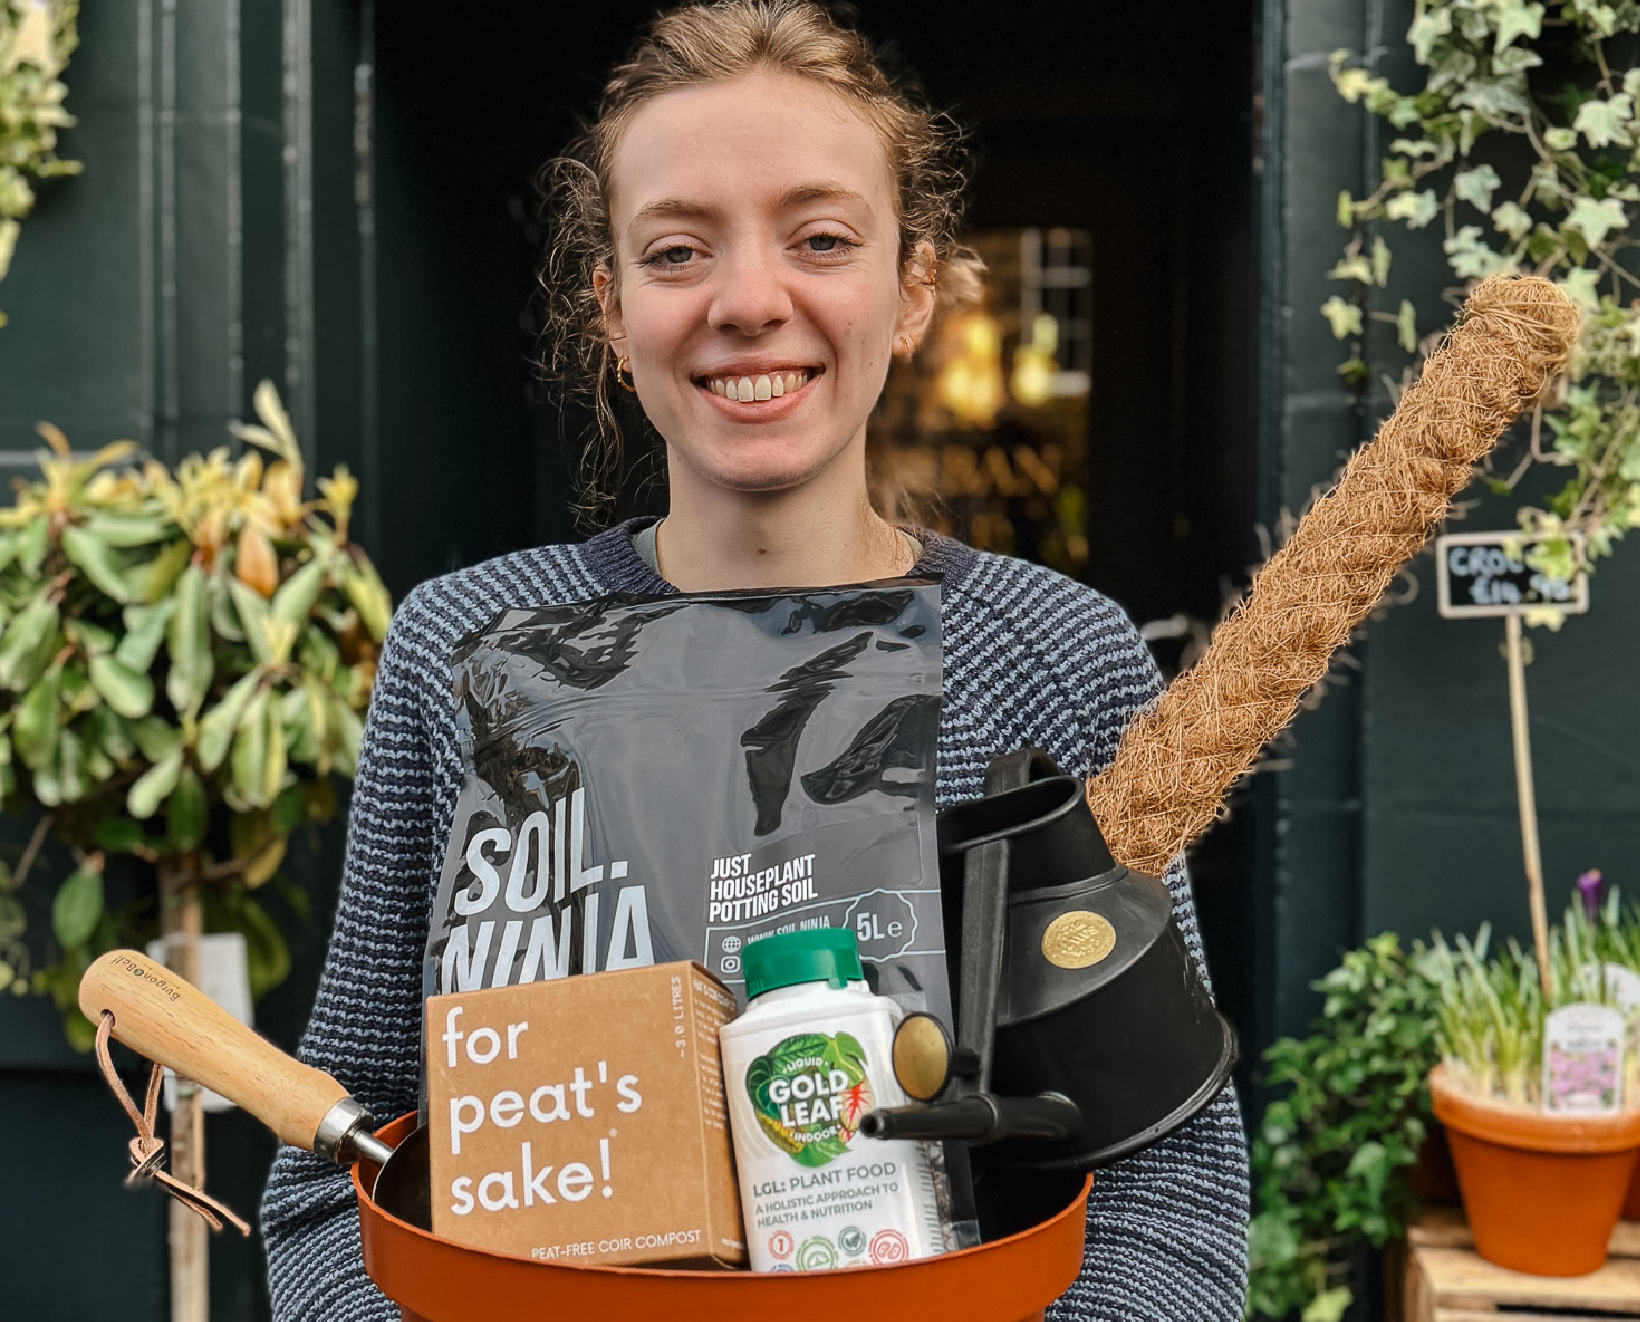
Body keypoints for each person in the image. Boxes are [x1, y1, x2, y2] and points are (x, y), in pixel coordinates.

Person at [260, 3, 1250, 1317]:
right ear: (612, 311)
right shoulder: (464, 647)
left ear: (913, 289)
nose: (748, 302)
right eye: (678, 251)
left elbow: (1168, 1189)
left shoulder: (1055, 657)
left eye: (821, 238)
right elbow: (337, 1170)